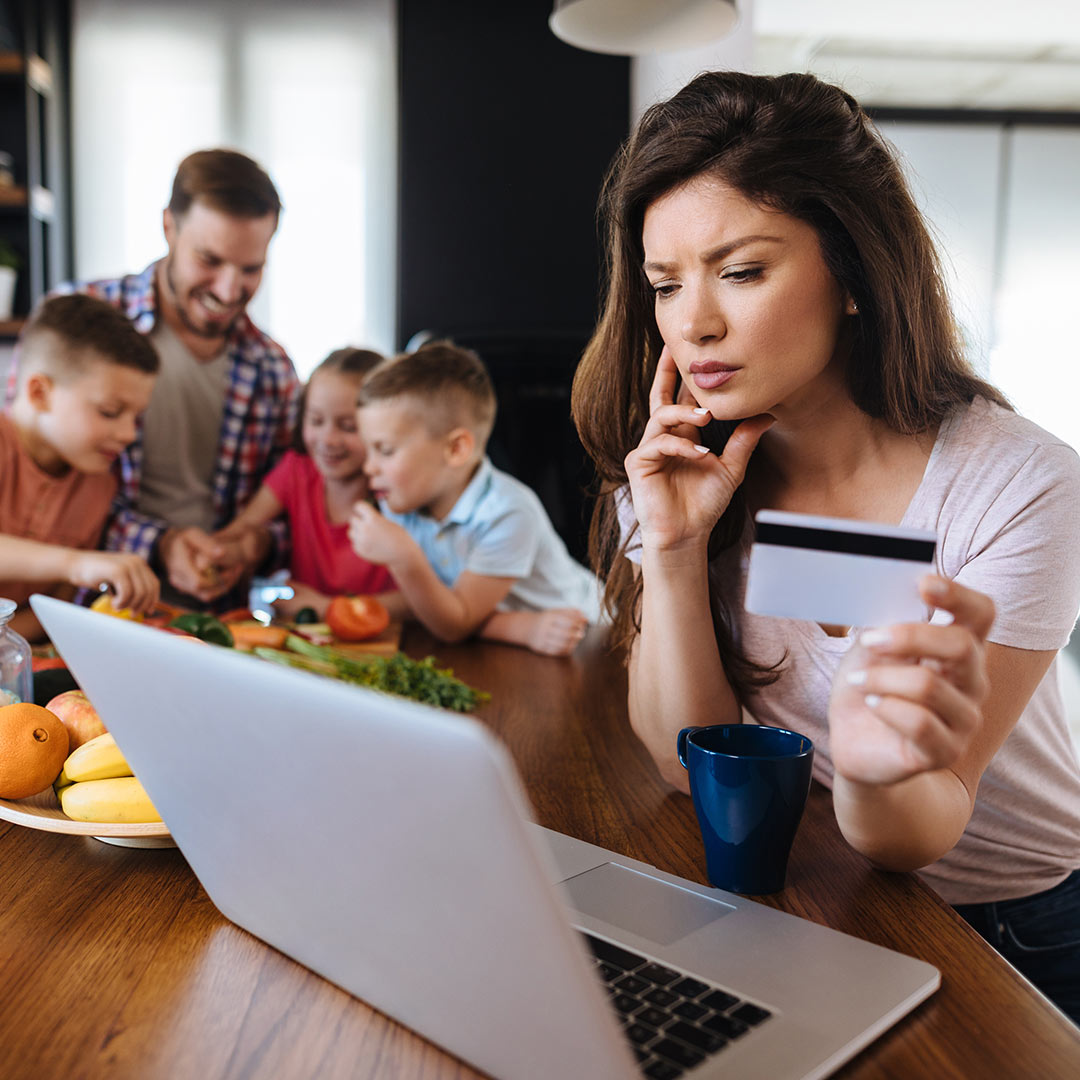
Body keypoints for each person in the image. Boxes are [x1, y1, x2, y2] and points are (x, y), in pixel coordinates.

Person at [570, 70, 1080, 1024]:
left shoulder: (1021, 484)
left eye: (743, 271)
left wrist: (880, 767)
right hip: (802, 879)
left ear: (851, 269)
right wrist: (675, 553)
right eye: (666, 284)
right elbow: (689, 765)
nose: (694, 323)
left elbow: (924, 825)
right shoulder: (676, 467)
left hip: (1004, 919)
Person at [8, 149, 301, 609]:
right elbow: (41, 479)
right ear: (169, 227)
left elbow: (291, 506)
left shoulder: (274, 370)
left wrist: (250, 545)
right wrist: (161, 543)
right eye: (209, 259)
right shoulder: (81, 316)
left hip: (219, 614)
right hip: (96, 602)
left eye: (250, 269)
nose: (228, 290)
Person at [348, 341, 601, 656]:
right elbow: (434, 603)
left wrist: (403, 557)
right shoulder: (401, 500)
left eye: (384, 451)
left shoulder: (507, 513)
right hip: (502, 639)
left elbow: (456, 623)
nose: (368, 467)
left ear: (455, 449)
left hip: (589, 637)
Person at [0, 294, 161, 642]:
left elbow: (51, 607)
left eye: (136, 417)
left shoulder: (98, 484)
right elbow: (71, 569)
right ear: (40, 393)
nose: (128, 434)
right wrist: (76, 562)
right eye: (109, 411)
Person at [216, 347, 393, 620]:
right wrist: (215, 553)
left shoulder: (397, 493)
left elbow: (419, 604)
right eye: (316, 421)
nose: (328, 439)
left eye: (348, 426)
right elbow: (242, 527)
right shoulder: (296, 470)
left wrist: (329, 608)